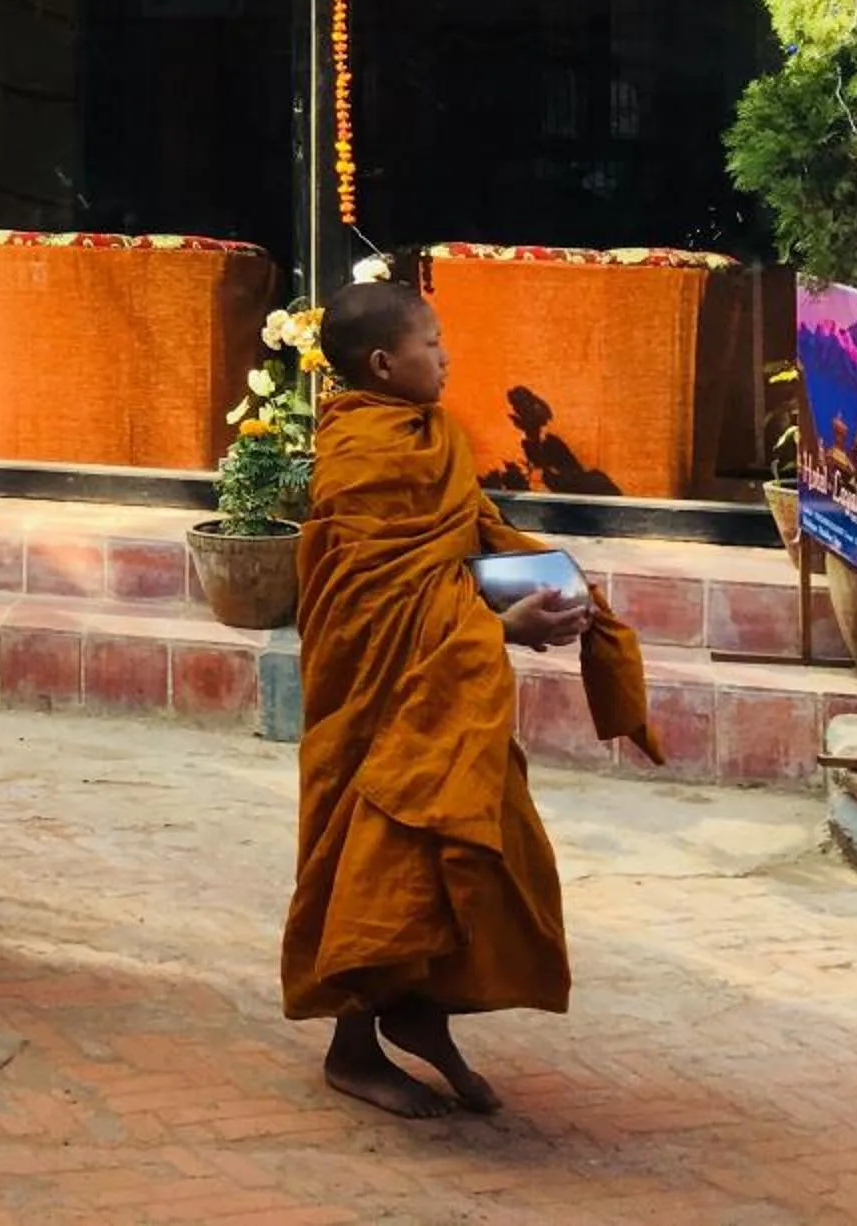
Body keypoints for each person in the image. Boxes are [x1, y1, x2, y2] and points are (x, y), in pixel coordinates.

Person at [280, 279, 661, 1121]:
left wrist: (551, 579)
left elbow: (470, 533)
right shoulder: (357, 456)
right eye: (433, 343)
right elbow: (373, 596)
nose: (447, 357)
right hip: (380, 706)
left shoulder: (437, 434)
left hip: (450, 702)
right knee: (377, 860)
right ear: (384, 363)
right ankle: (351, 1048)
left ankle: (421, 1013)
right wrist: (501, 628)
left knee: (484, 854)